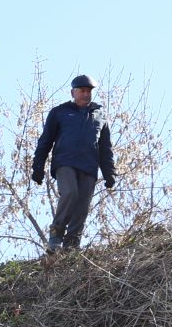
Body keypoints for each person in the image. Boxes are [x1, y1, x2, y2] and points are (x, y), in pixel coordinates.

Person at [31, 74, 117, 253]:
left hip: (89, 166)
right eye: (82, 91)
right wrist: (38, 166)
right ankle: (55, 236)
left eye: (89, 91)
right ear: (73, 92)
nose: (86, 94)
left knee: (82, 206)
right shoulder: (60, 112)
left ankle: (72, 246)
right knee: (70, 193)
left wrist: (110, 174)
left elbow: (105, 149)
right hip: (65, 162)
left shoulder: (100, 117)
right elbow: (45, 140)